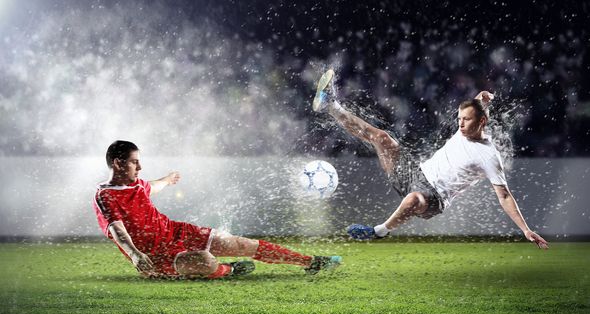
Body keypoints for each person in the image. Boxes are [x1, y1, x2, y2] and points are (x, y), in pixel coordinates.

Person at [312, 69, 549, 249]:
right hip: (416, 174)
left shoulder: (488, 155)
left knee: (415, 198)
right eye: (459, 118)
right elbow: (477, 104)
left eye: (466, 120)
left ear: (482, 122)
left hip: (435, 199)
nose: (460, 123)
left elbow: (504, 196)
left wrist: (525, 230)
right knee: (382, 137)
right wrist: (483, 98)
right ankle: (331, 105)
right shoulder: (467, 124)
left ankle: (378, 231)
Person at [93, 140, 342, 279]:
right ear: (117, 163)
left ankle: (310, 262)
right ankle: (229, 270)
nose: (140, 166)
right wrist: (136, 255)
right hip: (155, 256)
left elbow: (151, 187)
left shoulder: (136, 184)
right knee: (205, 261)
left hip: (176, 232)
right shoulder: (104, 196)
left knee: (238, 242)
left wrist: (167, 180)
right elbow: (118, 230)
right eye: (135, 162)